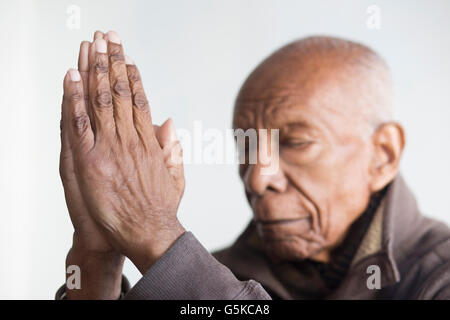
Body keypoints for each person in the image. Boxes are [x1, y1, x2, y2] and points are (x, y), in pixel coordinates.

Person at [57, 31, 450, 299]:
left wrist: (155, 234)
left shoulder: (438, 276)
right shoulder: (215, 272)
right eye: (245, 146)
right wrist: (97, 259)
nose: (258, 177)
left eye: (295, 142)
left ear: (383, 154)